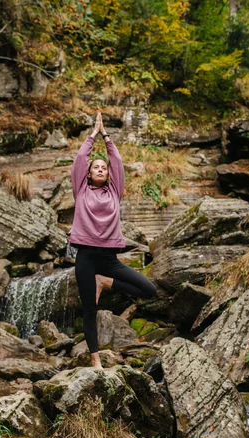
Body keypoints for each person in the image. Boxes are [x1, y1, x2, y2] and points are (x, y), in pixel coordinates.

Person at [70, 112, 157, 369]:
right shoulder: (81, 190)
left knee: (149, 290)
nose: (100, 168)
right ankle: (95, 359)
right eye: (95, 166)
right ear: (88, 174)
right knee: (89, 310)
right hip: (85, 257)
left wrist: (106, 136)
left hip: (109, 260)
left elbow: (117, 161)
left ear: (109, 175)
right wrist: (92, 135)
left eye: (103, 167)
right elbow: (78, 160)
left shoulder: (114, 192)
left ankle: (106, 281)